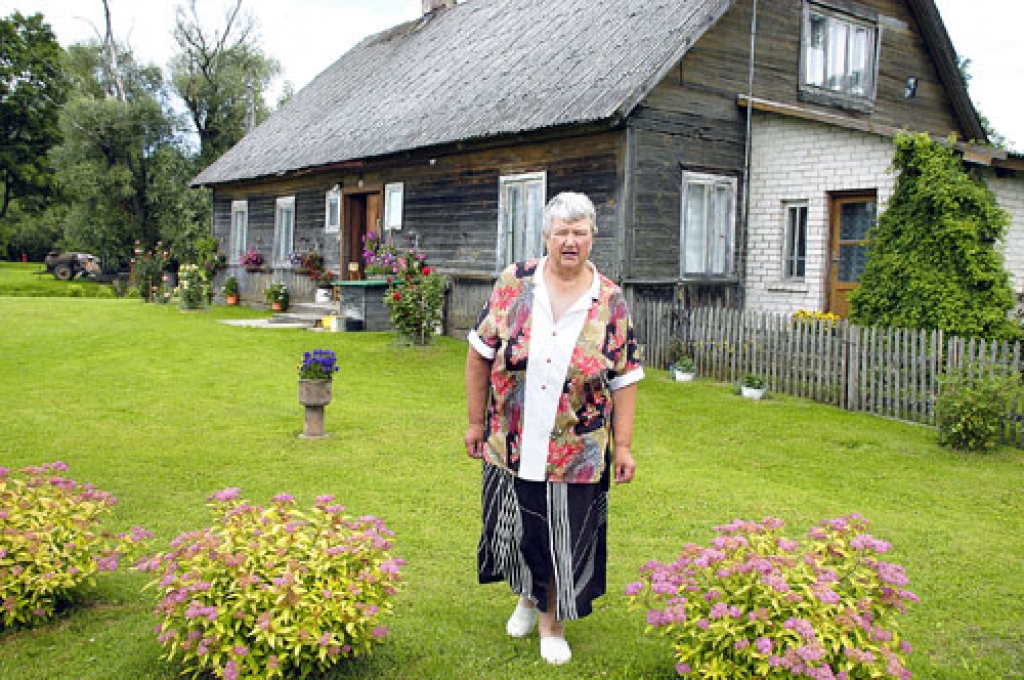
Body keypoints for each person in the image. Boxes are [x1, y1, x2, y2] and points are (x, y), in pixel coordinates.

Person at [464, 191, 644, 665]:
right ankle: (526, 596)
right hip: (513, 437)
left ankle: (552, 623)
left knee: (565, 533)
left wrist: (622, 447)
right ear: (546, 237)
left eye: (579, 231)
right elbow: (480, 354)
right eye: (561, 231)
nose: (570, 240)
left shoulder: (609, 299)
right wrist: (473, 423)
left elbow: (625, 377)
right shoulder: (514, 282)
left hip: (577, 448)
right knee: (521, 524)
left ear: (591, 239)